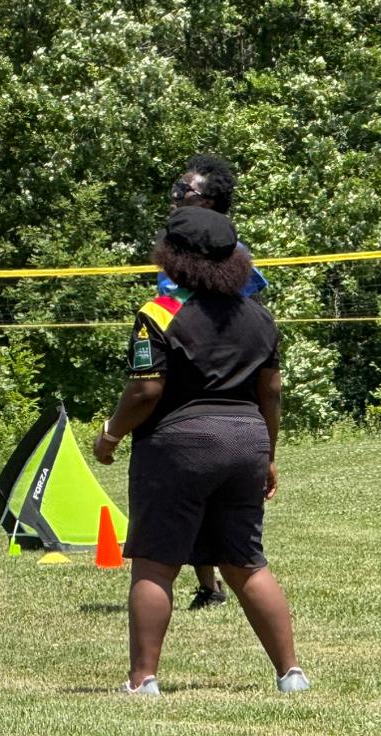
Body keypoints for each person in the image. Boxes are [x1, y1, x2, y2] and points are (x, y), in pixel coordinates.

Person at [93, 207, 308, 697]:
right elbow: (270, 393)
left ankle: (142, 679)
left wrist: (110, 434)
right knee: (246, 562)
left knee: (155, 562)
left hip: (179, 444)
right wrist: (268, 453)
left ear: (173, 257)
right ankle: (291, 673)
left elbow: (145, 392)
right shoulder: (258, 315)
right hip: (246, 441)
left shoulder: (159, 314)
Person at [163, 153, 265, 608]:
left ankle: (230, 577)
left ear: (210, 201)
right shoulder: (176, 245)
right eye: (176, 188)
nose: (176, 196)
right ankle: (209, 585)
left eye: (185, 190)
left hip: (221, 382)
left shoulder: (230, 252)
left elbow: (239, 313)